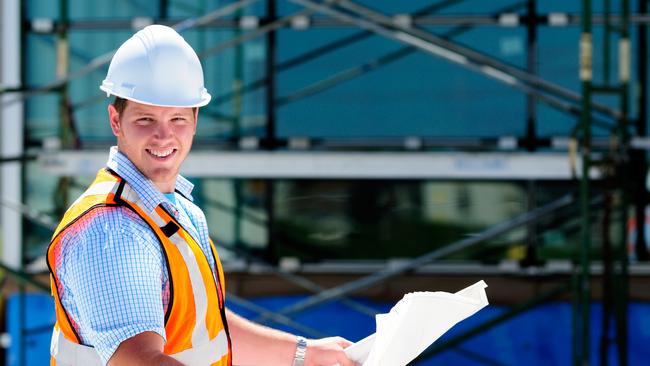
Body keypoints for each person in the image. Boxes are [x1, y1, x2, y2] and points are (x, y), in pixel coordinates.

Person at [46, 24, 357, 366]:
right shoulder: (114, 228)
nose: (163, 136)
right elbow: (139, 361)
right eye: (146, 119)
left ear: (195, 121)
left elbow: (207, 328)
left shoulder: (175, 210)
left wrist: (305, 354)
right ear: (116, 121)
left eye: (177, 118)